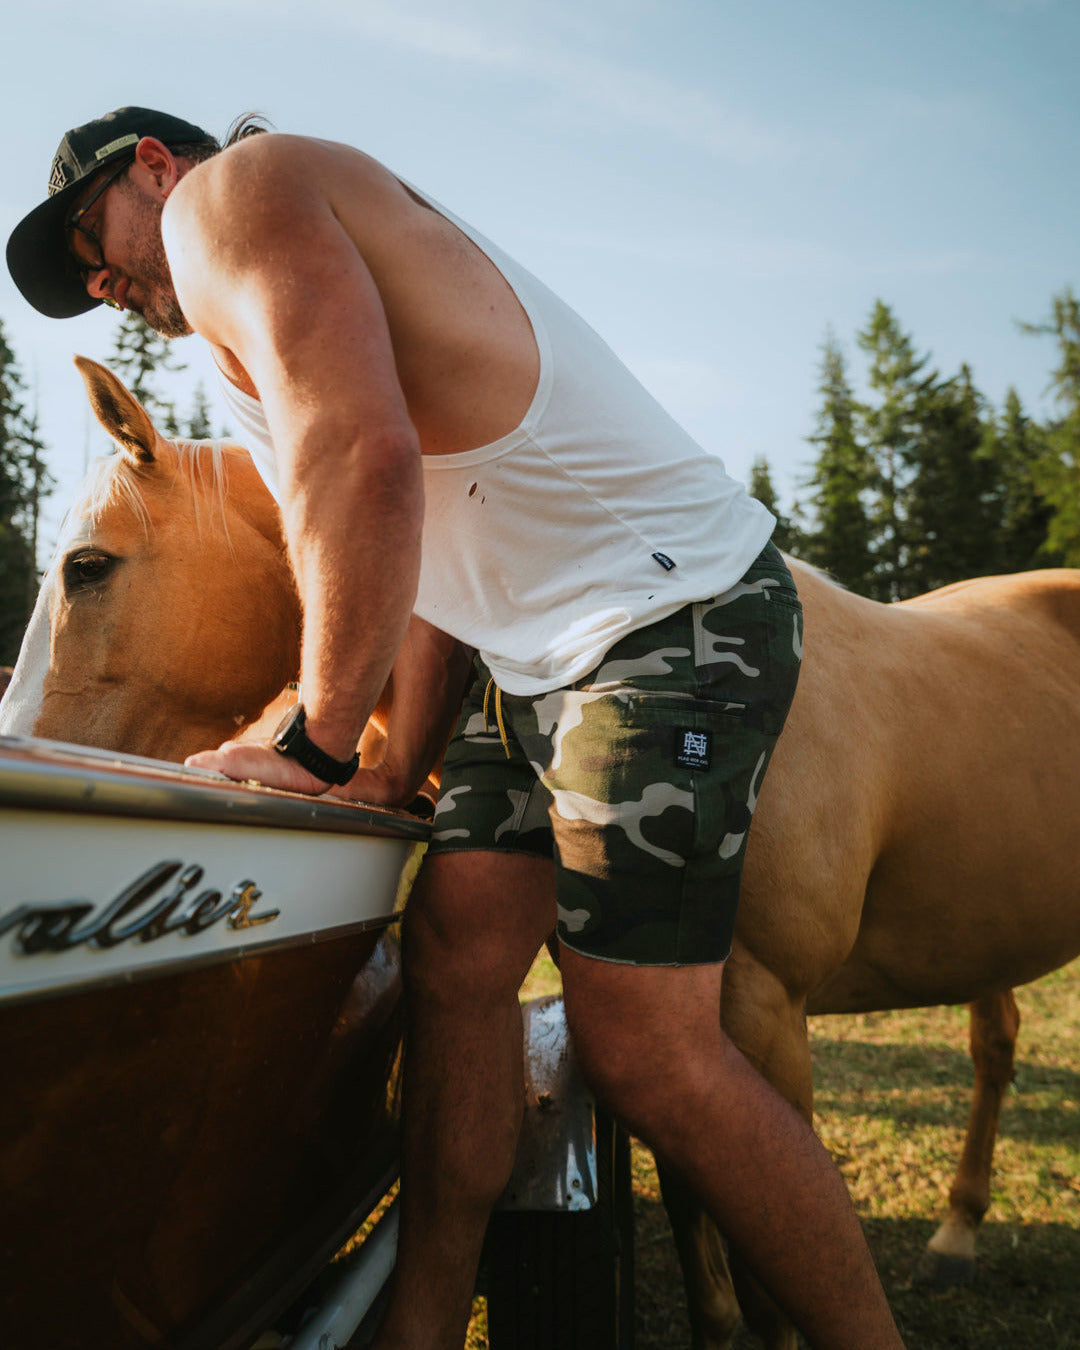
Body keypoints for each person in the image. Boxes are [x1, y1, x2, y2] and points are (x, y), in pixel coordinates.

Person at [7, 107, 904, 1350]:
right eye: (82, 285)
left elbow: (362, 460)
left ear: (155, 168)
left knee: (646, 1052)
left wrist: (318, 742)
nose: (102, 284)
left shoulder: (233, 200)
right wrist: (393, 766)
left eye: (88, 238)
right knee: (458, 961)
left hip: (661, 611)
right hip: (531, 648)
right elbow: (416, 542)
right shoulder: (257, 315)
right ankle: (418, 1326)